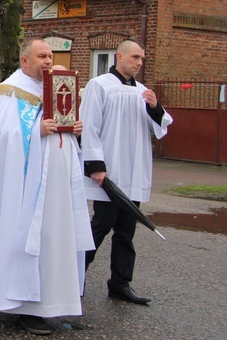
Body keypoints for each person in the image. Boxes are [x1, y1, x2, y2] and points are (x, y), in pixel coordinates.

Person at [0, 39, 95, 336]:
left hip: (56, 185)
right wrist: (37, 130)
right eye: (41, 56)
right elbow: (2, 136)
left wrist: (73, 130)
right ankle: (25, 307)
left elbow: (62, 128)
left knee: (55, 239)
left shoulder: (56, 86)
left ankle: (53, 302)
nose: (48, 60)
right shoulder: (10, 92)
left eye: (50, 55)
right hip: (24, 188)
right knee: (30, 240)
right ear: (24, 60)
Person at [81, 39, 173, 305]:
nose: (139, 63)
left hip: (133, 172)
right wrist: (96, 166)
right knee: (100, 227)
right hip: (109, 173)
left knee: (126, 231)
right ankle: (74, 278)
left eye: (142, 59)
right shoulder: (99, 86)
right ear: (119, 56)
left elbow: (160, 126)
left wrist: (155, 108)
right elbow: (89, 126)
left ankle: (120, 283)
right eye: (135, 57)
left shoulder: (143, 91)